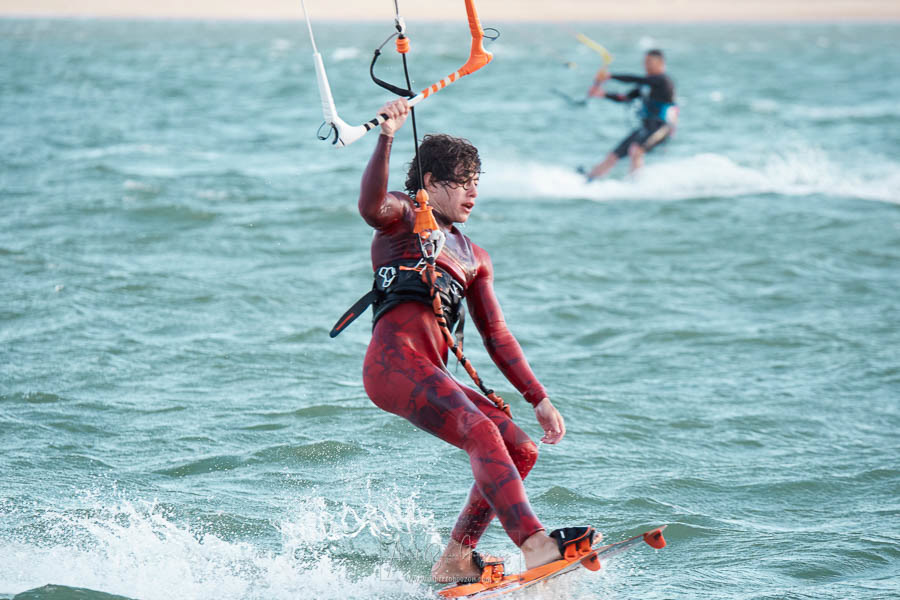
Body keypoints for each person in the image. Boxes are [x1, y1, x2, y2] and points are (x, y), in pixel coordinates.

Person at [341, 97, 596, 583]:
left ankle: (456, 557)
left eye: (477, 181)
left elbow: (495, 334)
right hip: (393, 365)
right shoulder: (403, 216)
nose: (473, 192)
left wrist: (538, 398)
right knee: (479, 430)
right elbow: (370, 206)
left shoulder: (475, 255)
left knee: (520, 446)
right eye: (462, 181)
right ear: (431, 183)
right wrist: (387, 136)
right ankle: (535, 543)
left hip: (430, 371)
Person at [585, 49, 677, 180]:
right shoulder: (645, 85)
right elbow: (625, 98)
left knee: (636, 150)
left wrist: (610, 76)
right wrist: (602, 94)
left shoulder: (663, 81)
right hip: (645, 127)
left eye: (649, 62)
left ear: (660, 63)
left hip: (662, 127)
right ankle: (589, 179)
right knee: (613, 155)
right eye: (645, 62)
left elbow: (635, 79)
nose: (646, 65)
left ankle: (636, 184)